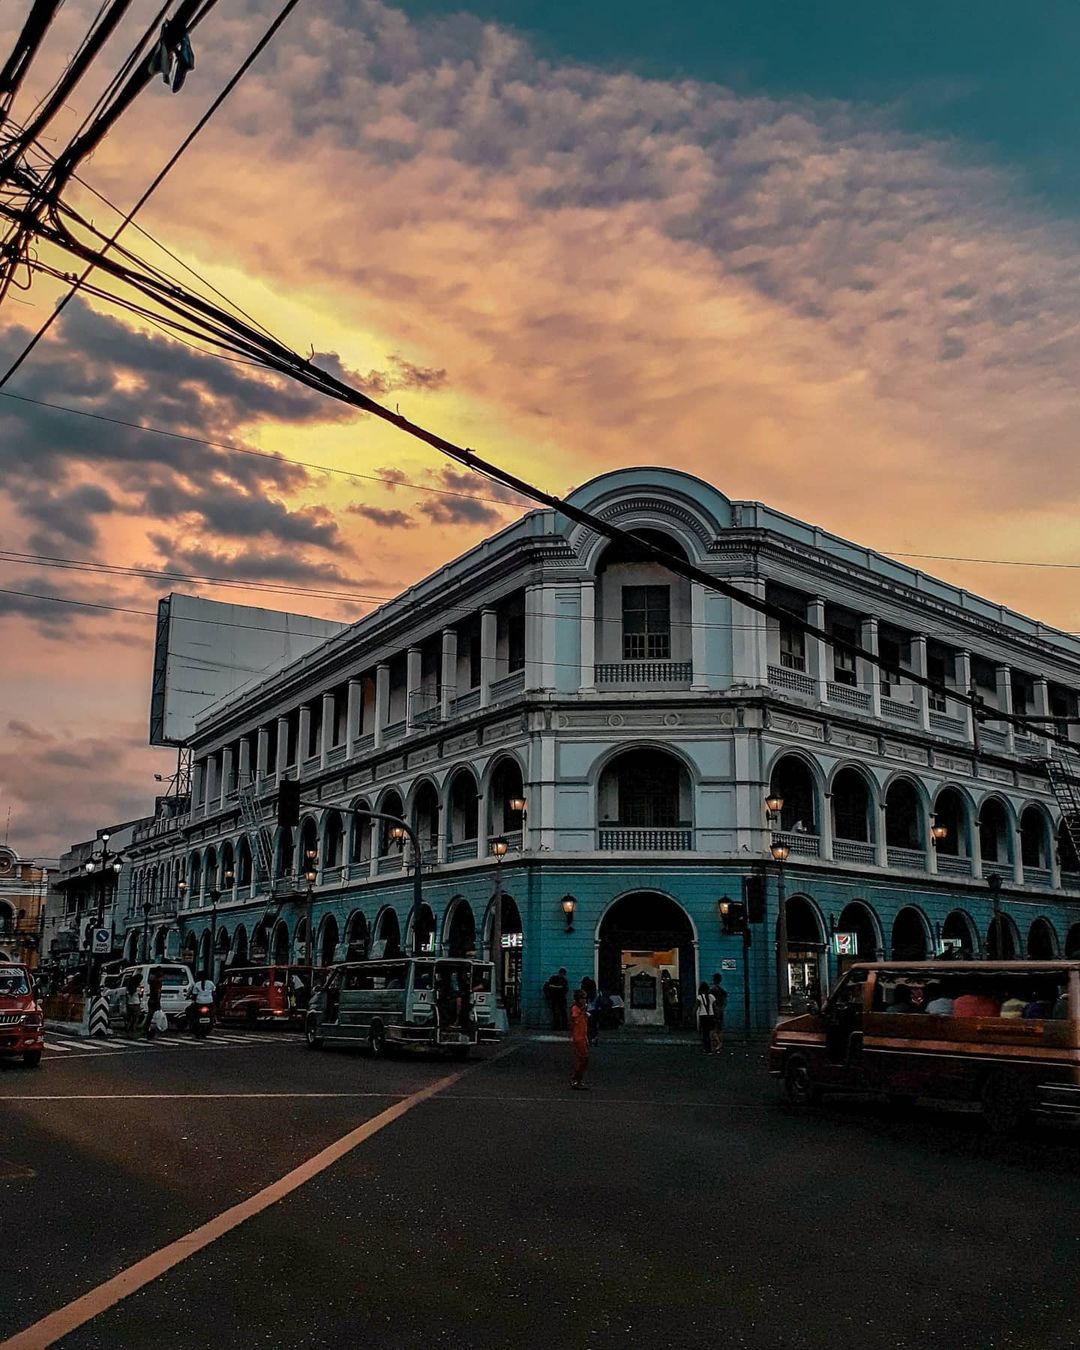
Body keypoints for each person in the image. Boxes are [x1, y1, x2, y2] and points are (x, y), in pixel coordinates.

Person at [569, 988, 590, 1090]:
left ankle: (578, 1079)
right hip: (578, 1038)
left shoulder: (582, 1010)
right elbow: (574, 1017)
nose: (585, 1000)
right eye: (583, 998)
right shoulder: (576, 1009)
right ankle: (576, 1079)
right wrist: (583, 1011)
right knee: (582, 1059)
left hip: (582, 1037)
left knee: (584, 1060)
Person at [709, 973, 728, 1052]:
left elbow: (711, 1001)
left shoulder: (712, 990)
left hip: (714, 1010)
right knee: (719, 1028)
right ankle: (719, 1043)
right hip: (720, 1009)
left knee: (712, 1028)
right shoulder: (722, 990)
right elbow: (725, 1000)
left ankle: (717, 1043)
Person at [144, 967, 164, 1039]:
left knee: (151, 1016)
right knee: (154, 1017)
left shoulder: (153, 980)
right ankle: (150, 1031)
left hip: (152, 1000)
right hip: (154, 1001)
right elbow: (157, 992)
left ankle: (148, 1031)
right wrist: (157, 1000)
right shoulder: (157, 981)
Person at [696, 982, 715, 1053]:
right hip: (711, 1016)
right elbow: (714, 1007)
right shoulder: (712, 997)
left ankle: (706, 1048)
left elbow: (696, 1007)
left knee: (705, 1033)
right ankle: (711, 1048)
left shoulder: (699, 997)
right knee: (710, 1033)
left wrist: (691, 1015)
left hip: (703, 1016)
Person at [123, 970, 141, 1037]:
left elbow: (126, 995)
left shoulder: (129, 987)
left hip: (129, 1003)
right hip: (136, 1003)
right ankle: (133, 1030)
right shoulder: (137, 988)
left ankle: (127, 1030)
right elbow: (140, 994)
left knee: (130, 1018)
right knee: (135, 1018)